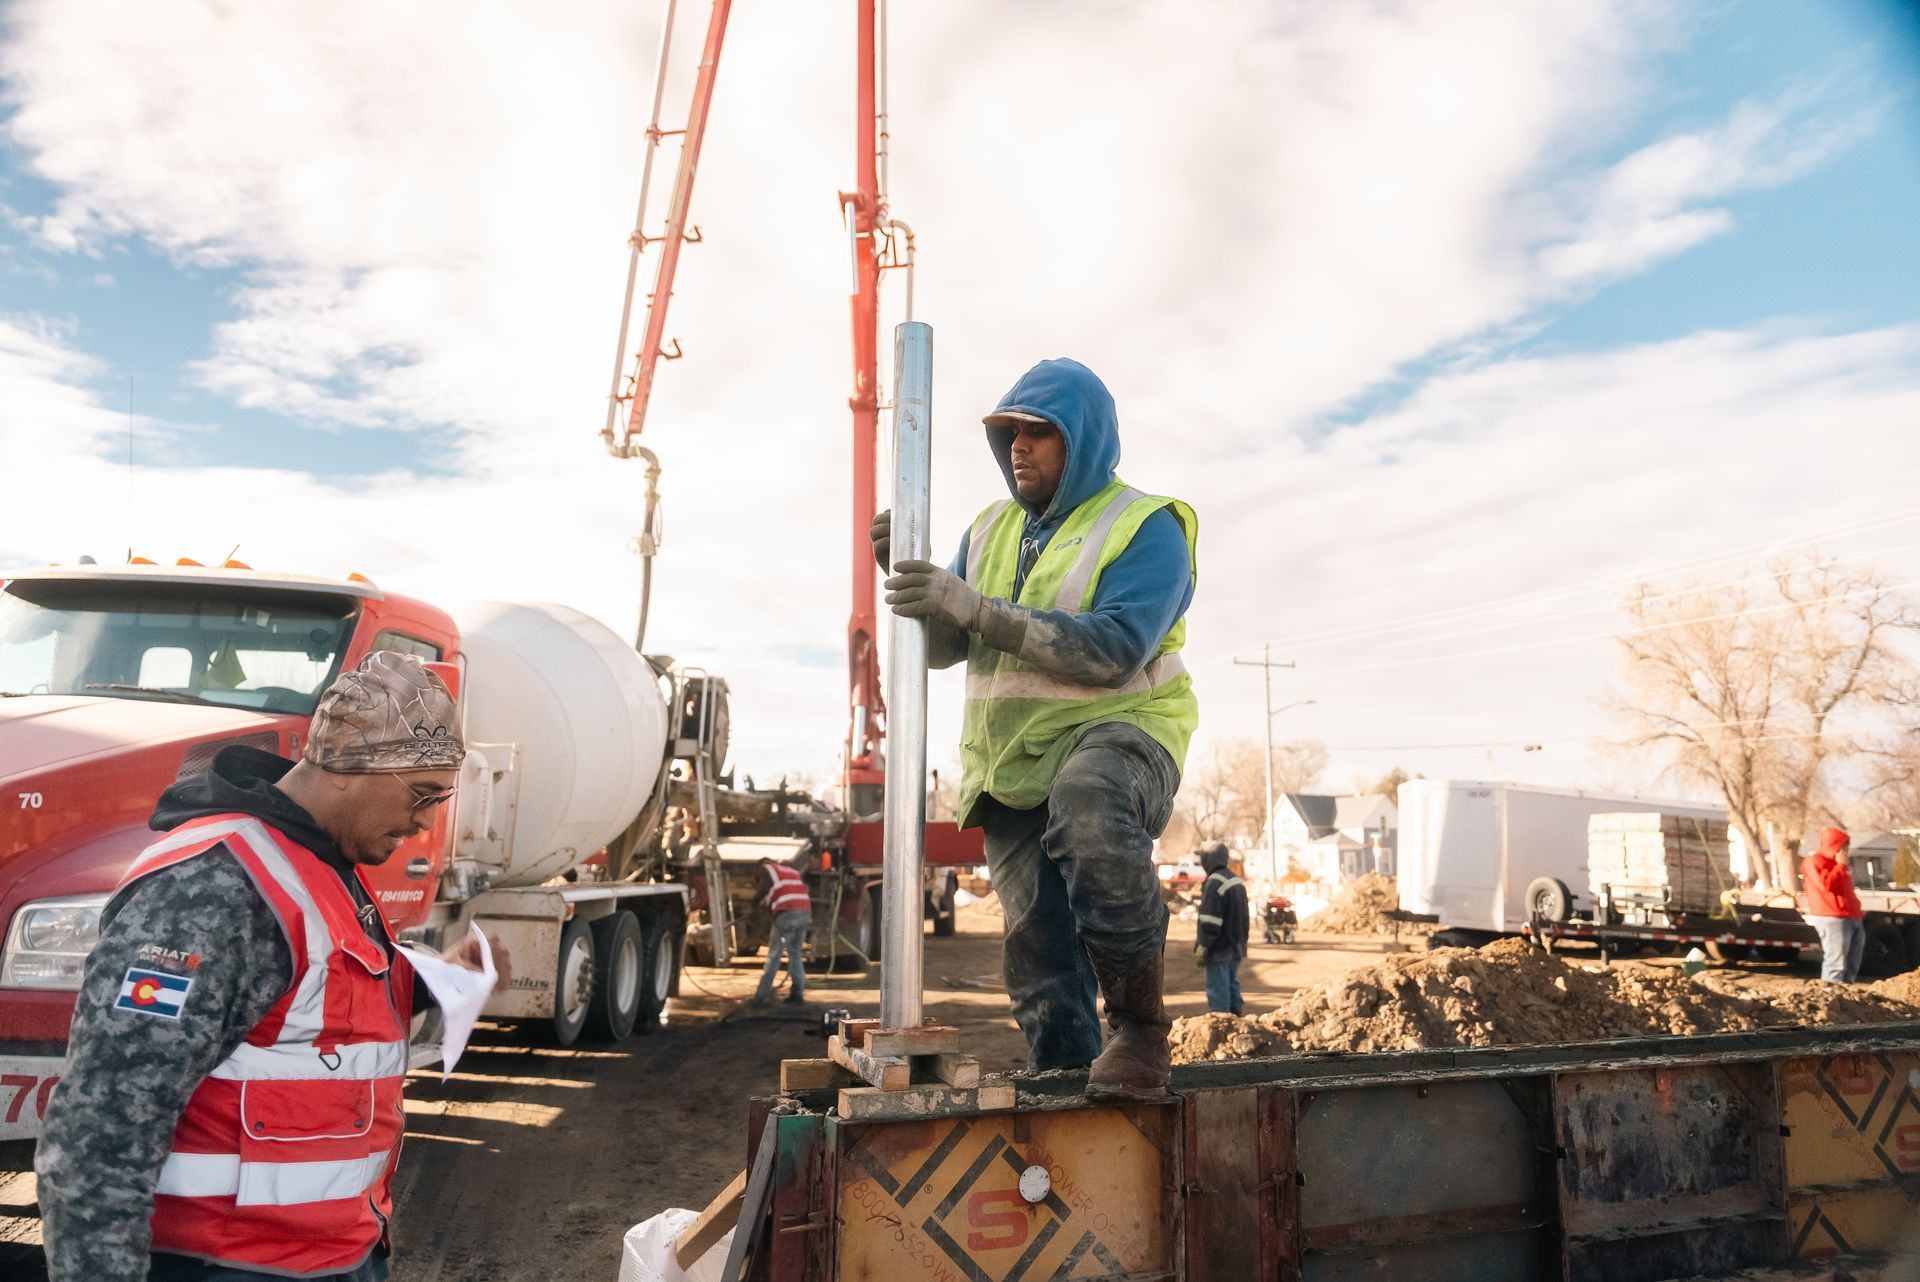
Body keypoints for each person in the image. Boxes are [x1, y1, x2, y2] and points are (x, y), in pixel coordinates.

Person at [37, 652, 510, 1282]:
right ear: (347, 768)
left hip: (332, 1255)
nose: (427, 820)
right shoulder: (212, 887)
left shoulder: (321, 864)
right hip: (225, 1263)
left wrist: (438, 980)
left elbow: (314, 1006)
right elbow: (104, 1124)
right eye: (422, 795)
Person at [873, 356, 1197, 1101]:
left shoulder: (1147, 526)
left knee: (1089, 805)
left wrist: (975, 607)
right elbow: (952, 648)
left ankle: (1141, 1031)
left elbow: (1116, 648)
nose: (1019, 446)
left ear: (1080, 440)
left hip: (1121, 733)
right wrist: (914, 582)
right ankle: (1065, 1084)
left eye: (1039, 433)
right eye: (1008, 433)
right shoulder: (988, 529)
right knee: (1037, 951)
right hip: (1014, 763)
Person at [1802, 826, 1865, 984]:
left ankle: (1848, 1000)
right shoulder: (1814, 862)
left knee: (1852, 963)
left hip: (1852, 917)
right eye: (1843, 847)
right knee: (1836, 962)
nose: (1846, 851)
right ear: (1834, 846)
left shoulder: (1839, 865)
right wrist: (1841, 866)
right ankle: (1831, 996)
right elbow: (1826, 885)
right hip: (1833, 918)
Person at [1193, 842, 1249, 1015]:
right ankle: (1236, 1024)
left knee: (1218, 990)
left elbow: (1210, 921)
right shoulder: (1235, 880)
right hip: (1236, 945)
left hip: (1219, 947)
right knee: (1232, 984)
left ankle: (1222, 1025)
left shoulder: (1213, 883)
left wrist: (1203, 946)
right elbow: (1244, 918)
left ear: (1208, 859)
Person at [752, 853, 813, 1005]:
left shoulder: (767, 869)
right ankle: (797, 994)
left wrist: (751, 906)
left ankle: (762, 996)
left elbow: (762, 892)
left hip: (788, 913)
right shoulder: (789, 871)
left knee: (774, 955)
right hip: (805, 913)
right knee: (795, 953)